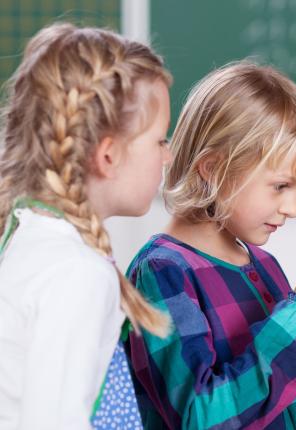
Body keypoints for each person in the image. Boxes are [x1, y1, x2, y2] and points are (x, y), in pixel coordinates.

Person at [125, 61, 296, 429]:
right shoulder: (162, 273)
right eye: (281, 187)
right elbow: (201, 416)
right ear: (212, 168)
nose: (292, 209)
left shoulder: (265, 264)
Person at [0, 23, 171, 428]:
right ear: (108, 156)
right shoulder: (78, 273)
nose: (167, 157)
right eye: (160, 141)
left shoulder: (27, 234)